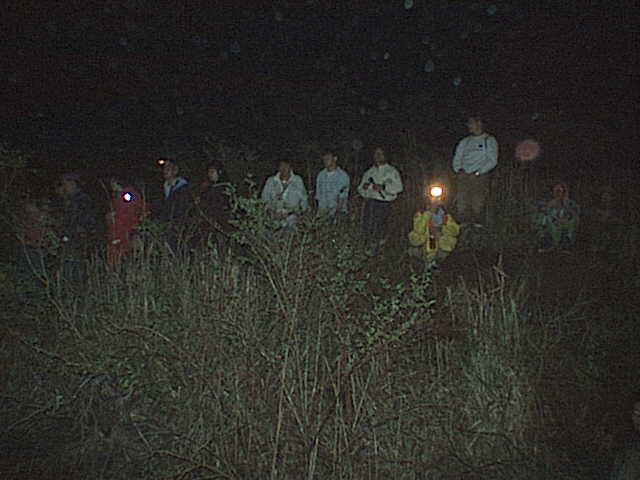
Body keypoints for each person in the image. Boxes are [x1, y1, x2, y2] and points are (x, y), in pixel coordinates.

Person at [452, 115, 498, 226]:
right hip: (464, 175)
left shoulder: (489, 140)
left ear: (479, 124)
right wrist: (458, 170)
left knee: (478, 201)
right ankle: (463, 225)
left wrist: (479, 172)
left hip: (480, 176)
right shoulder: (465, 141)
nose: (469, 126)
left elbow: (492, 160)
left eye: (471, 123)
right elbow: (457, 158)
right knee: (462, 201)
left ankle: (478, 225)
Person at [357, 147, 403, 246]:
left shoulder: (392, 171)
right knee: (367, 228)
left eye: (380, 154)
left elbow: (399, 188)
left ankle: (378, 247)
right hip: (370, 203)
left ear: (385, 156)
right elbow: (360, 188)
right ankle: (366, 246)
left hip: (384, 204)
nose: (377, 156)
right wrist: (366, 188)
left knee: (380, 229)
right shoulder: (369, 172)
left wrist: (383, 187)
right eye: (376, 154)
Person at [408, 184, 460, 266]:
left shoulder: (446, 216)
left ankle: (437, 264)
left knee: (449, 240)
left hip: (439, 248)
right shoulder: (420, 214)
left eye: (438, 199)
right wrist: (429, 213)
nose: (435, 201)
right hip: (423, 248)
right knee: (417, 237)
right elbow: (418, 229)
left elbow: (454, 231)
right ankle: (422, 264)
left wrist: (441, 230)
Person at [106, 178, 147, 266]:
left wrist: (115, 215)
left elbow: (130, 212)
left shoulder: (127, 194)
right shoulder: (118, 195)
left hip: (124, 230)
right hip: (119, 230)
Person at [261, 159, 309, 229]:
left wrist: (303, 215)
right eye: (281, 166)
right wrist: (270, 212)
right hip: (274, 216)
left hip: (292, 217)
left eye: (286, 166)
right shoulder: (271, 181)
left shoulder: (297, 180)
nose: (283, 169)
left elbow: (304, 199)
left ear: (291, 168)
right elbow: (265, 199)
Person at [532, 183, 580, 253]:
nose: (557, 194)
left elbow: (574, 213)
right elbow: (542, 211)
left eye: (559, 191)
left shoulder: (569, 203)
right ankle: (546, 243)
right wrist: (549, 207)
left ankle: (566, 245)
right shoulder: (549, 202)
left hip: (564, 224)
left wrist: (566, 214)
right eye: (555, 191)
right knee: (543, 218)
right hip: (552, 225)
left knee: (573, 221)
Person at [195, 162, 232, 250]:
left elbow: (221, 204)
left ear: (219, 172)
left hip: (220, 221)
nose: (210, 175)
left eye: (212, 172)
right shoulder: (209, 187)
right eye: (209, 172)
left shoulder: (225, 187)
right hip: (209, 221)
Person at [57, 172, 96, 244]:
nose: (64, 188)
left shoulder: (81, 199)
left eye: (65, 184)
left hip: (79, 238)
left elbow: (80, 219)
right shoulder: (70, 200)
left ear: (73, 184)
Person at [315, 149, 350, 218]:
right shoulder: (320, 175)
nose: (325, 161)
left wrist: (336, 215)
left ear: (335, 158)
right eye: (324, 159)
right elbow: (318, 196)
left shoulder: (343, 176)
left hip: (337, 213)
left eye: (328, 158)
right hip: (322, 213)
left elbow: (342, 198)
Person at [156, 160, 191, 224]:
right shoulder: (161, 188)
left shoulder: (182, 188)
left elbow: (182, 208)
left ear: (175, 171)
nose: (165, 171)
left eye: (168, 169)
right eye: (164, 169)